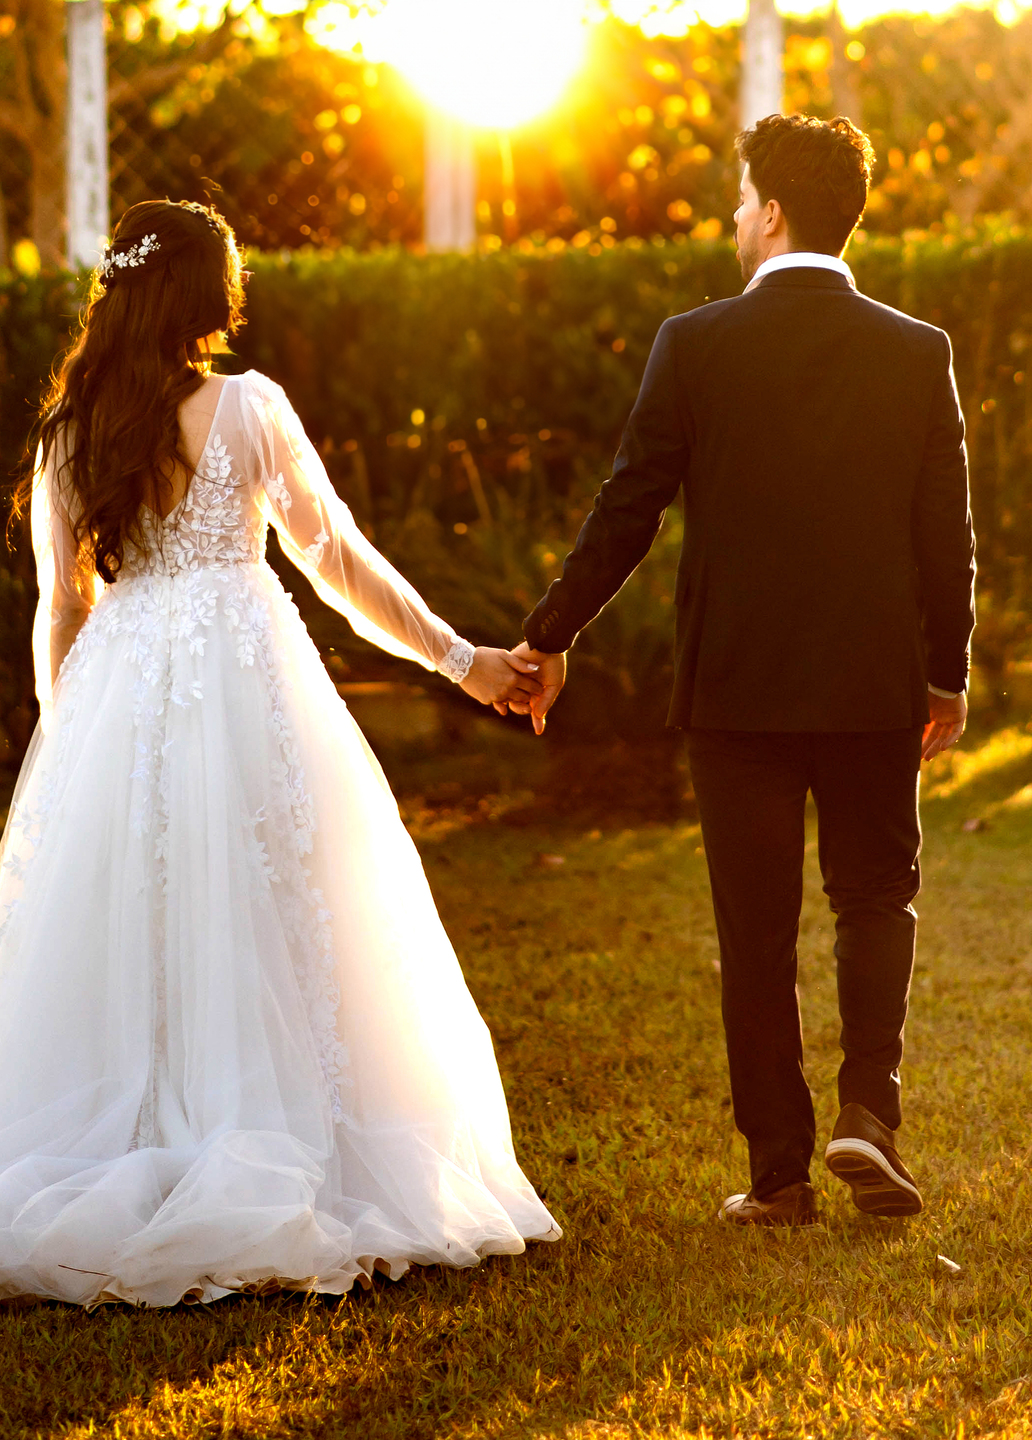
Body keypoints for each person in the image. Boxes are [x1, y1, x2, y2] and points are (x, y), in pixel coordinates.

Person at [0, 200, 559, 1307]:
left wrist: (63, 740)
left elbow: (60, 612)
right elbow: (341, 565)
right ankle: (274, 1131)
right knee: (284, 904)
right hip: (245, 674)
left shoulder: (69, 429)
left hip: (122, 689)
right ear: (208, 296)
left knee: (138, 916)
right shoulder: (249, 408)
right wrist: (462, 660)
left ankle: (149, 1128)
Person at [514, 115, 976, 1225]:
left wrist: (549, 632)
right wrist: (947, 675)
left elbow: (629, 509)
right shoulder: (918, 350)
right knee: (876, 897)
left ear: (771, 212)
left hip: (738, 690)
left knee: (754, 928)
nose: (731, 217)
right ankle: (872, 1114)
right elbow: (946, 536)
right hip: (874, 685)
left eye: (737, 198)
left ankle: (777, 1177)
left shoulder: (696, 342)